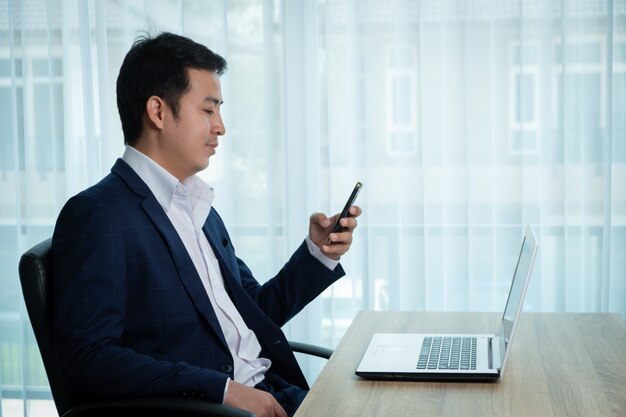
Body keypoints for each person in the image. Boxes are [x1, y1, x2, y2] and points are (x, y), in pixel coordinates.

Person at [51, 32, 361, 417]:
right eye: (208, 110)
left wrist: (318, 253)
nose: (221, 127)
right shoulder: (97, 215)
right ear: (158, 112)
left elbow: (254, 310)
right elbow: (89, 360)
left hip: (272, 394)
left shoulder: (198, 207)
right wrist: (221, 391)